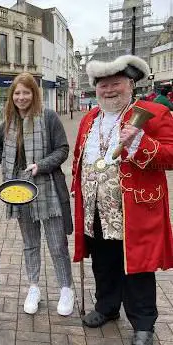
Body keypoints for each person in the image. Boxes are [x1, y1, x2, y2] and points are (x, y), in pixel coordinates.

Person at [72, 55, 173, 345]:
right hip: (94, 209)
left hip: (133, 210)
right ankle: (107, 307)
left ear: (131, 84)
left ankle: (143, 324)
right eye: (102, 86)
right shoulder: (90, 118)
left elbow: (171, 154)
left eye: (115, 83)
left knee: (137, 268)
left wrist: (142, 143)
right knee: (103, 263)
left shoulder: (152, 112)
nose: (109, 90)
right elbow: (81, 159)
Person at [0, 72, 74, 317]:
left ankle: (66, 289)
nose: (21, 97)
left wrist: (40, 165)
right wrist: (9, 166)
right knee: (30, 244)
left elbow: (62, 149)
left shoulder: (48, 117)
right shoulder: (8, 120)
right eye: (17, 93)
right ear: (12, 95)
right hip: (19, 190)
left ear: (34, 93)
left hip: (47, 187)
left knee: (57, 244)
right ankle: (34, 287)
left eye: (26, 92)